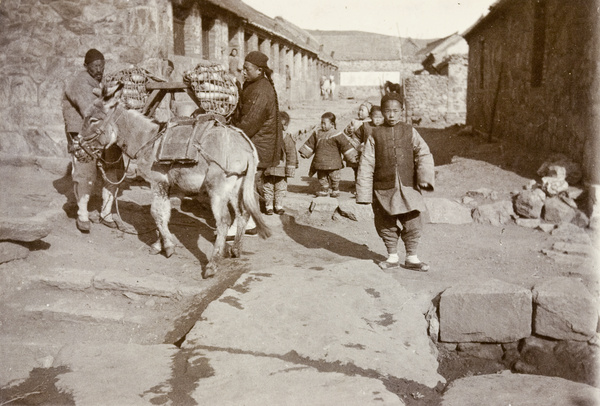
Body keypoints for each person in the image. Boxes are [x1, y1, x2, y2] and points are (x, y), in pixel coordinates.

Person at [356, 92, 434, 271]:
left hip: (408, 186)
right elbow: (366, 163)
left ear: (402, 111)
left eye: (395, 111)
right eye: (387, 111)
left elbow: (423, 153)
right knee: (385, 222)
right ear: (382, 112)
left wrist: (424, 178)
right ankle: (392, 256)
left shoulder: (409, 131)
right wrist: (364, 193)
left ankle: (412, 257)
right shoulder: (375, 135)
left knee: (413, 221)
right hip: (384, 188)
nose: (391, 115)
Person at [62, 48, 123, 233]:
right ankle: (82, 214)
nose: (100, 69)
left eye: (102, 66)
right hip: (82, 132)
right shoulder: (80, 82)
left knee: (114, 164)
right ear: (86, 66)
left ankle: (106, 213)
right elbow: (90, 110)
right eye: (96, 66)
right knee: (85, 171)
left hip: (99, 131)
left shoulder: (98, 82)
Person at [229, 50, 284, 237]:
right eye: (243, 68)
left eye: (247, 69)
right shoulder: (255, 84)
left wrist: (229, 130)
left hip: (259, 145)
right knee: (248, 184)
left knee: (245, 185)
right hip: (258, 143)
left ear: (259, 70)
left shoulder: (261, 90)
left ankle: (242, 222)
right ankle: (250, 222)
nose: (243, 72)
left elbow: (249, 123)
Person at [299, 112, 357, 198]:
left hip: (333, 162)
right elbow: (311, 143)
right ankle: (324, 189)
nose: (322, 125)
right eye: (321, 123)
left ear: (332, 124)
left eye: (324, 123)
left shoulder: (337, 134)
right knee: (322, 177)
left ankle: (335, 189)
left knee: (334, 177)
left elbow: (345, 145)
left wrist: (352, 156)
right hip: (320, 162)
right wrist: (305, 152)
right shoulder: (317, 133)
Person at [263, 111, 298, 215]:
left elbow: (291, 153)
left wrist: (290, 168)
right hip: (269, 167)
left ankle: (278, 205)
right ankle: (269, 206)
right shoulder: (269, 136)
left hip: (280, 168)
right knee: (268, 187)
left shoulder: (286, 137)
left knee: (279, 187)